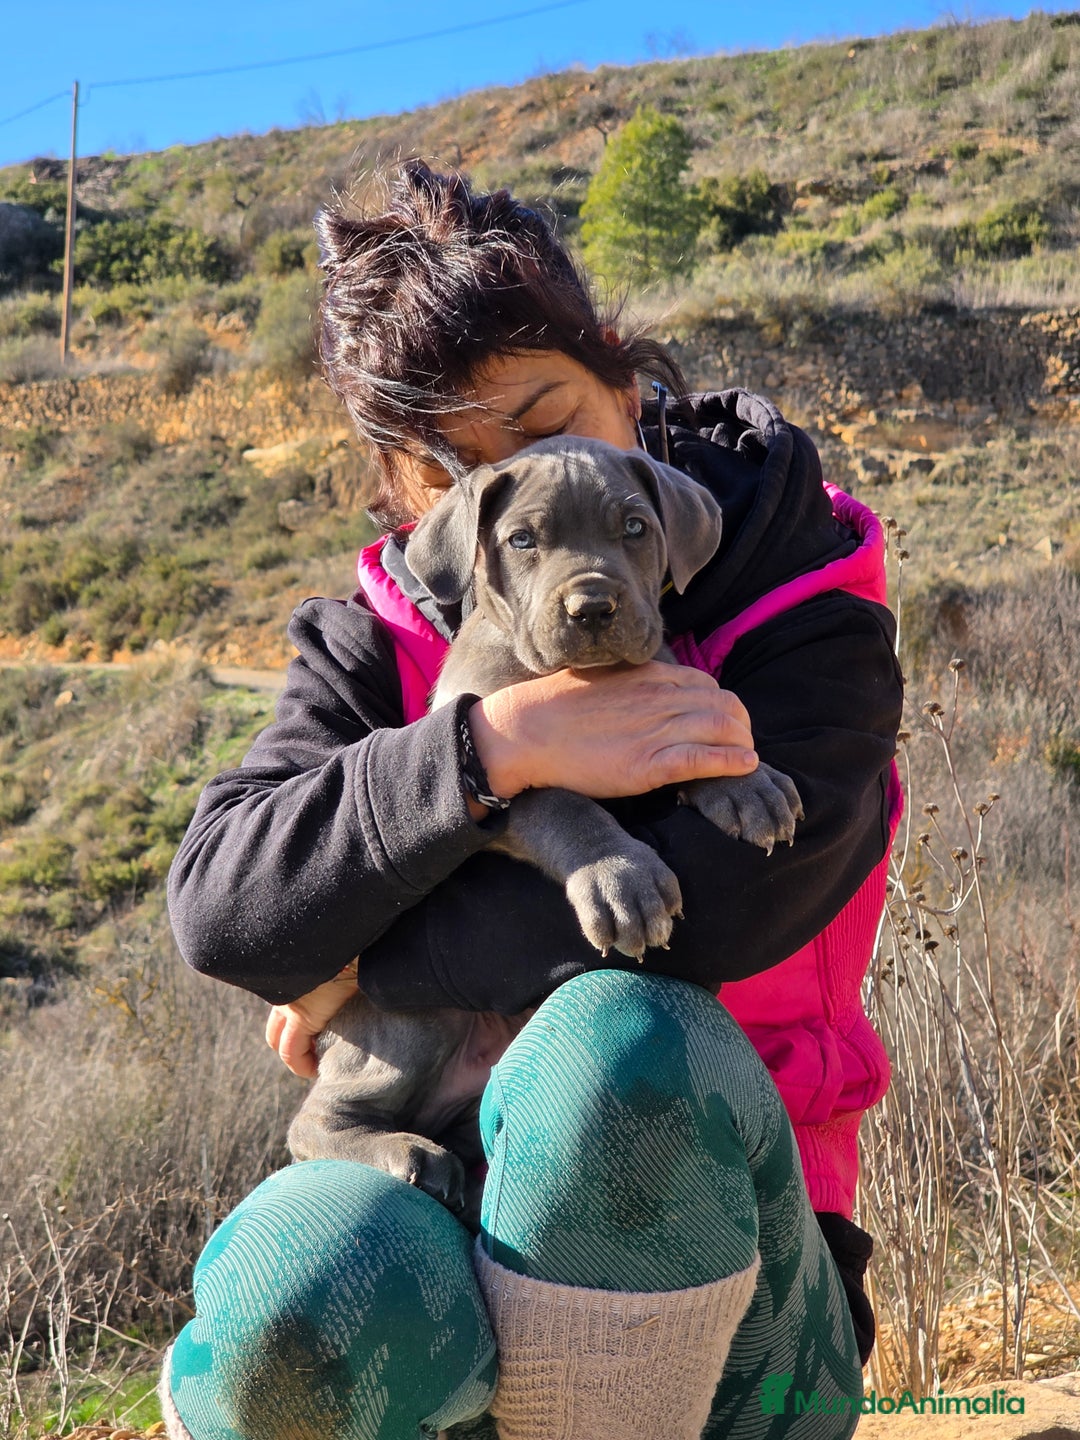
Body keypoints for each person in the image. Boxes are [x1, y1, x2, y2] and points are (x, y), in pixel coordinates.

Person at [162, 160, 904, 1440]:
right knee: (302, 1288)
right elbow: (227, 915)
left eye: (547, 408)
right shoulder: (365, 644)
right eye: (450, 461)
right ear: (411, 495)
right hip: (422, 1141)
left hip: (741, 1261)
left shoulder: (806, 602)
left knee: (617, 1054)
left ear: (625, 379)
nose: (516, 469)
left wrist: (359, 959)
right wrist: (488, 751)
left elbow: (706, 918)